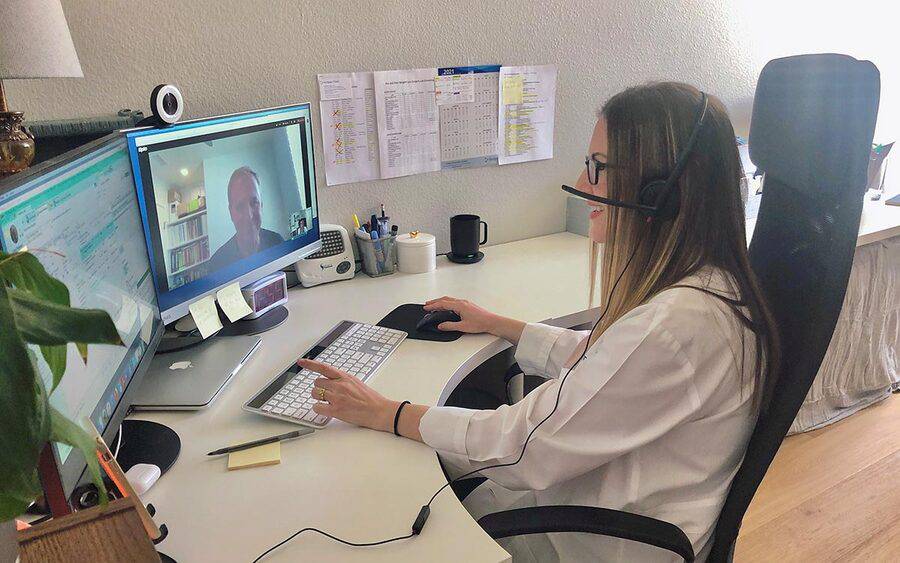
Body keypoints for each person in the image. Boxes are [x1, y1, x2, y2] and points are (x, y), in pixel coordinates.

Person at [298, 82, 780, 562]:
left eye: (599, 168)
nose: (583, 182)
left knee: (383, 510)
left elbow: (519, 447)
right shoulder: (708, 288)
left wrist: (387, 412)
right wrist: (500, 324)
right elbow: (610, 363)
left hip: (602, 541)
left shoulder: (676, 325)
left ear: (660, 191)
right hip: (611, 501)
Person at [207, 166, 283, 271]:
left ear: (261, 205)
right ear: (231, 213)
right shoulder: (216, 265)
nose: (249, 216)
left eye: (254, 203)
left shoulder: (277, 243)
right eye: (240, 206)